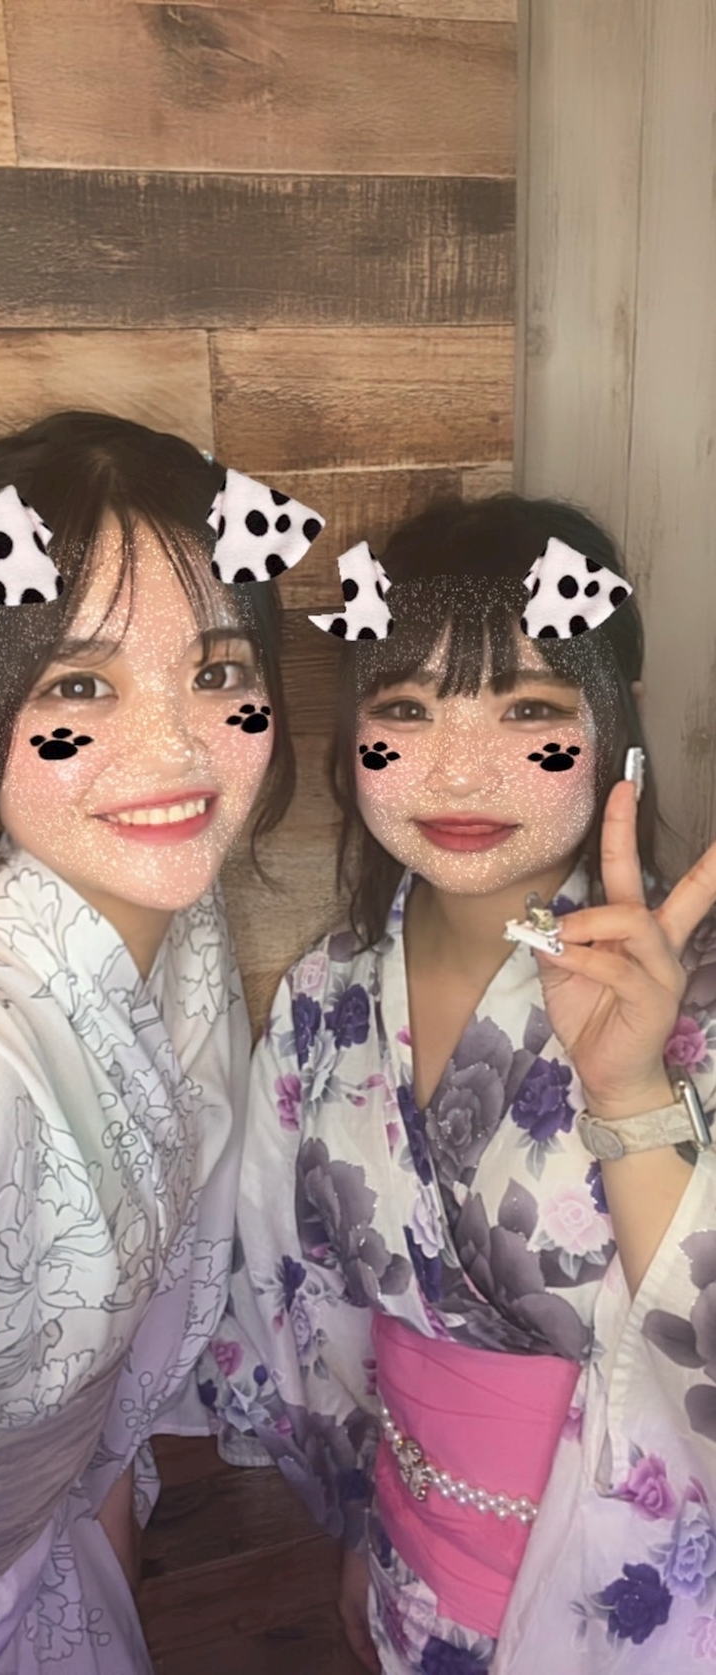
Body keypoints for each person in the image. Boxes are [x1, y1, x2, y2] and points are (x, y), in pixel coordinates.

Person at [199, 494, 716, 1673]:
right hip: (410, 1575)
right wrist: (364, 1523)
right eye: (408, 709)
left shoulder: (697, 1000)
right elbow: (297, 1307)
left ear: (617, 725)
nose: (463, 770)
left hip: (634, 1605)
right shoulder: (327, 997)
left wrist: (632, 1092)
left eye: (529, 709)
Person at [0, 410, 299, 1673]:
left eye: (218, 672)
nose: (175, 748)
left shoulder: (179, 930)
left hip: (64, 1567)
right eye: (77, 684)